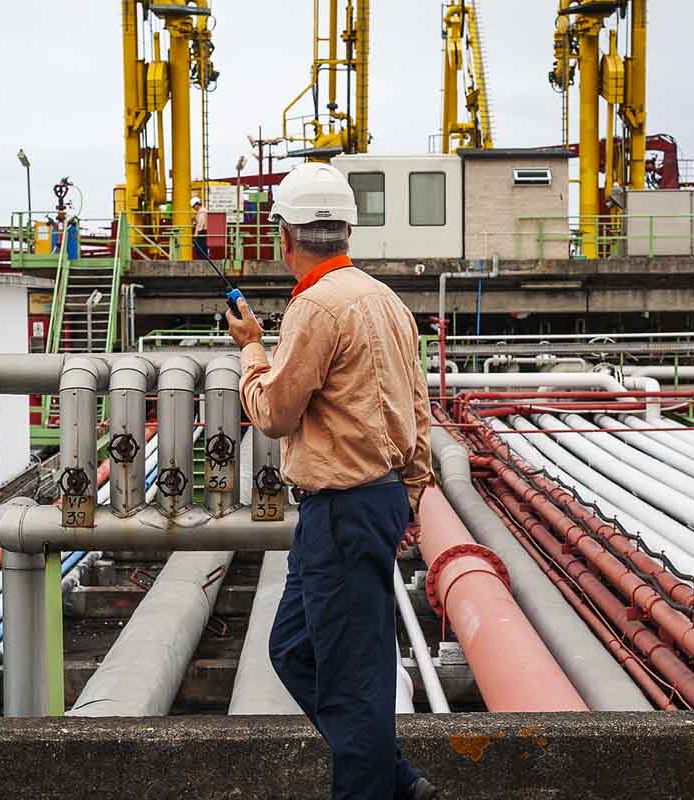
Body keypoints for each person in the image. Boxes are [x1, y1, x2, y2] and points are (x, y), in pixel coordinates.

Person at [225, 162, 438, 800]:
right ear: (347, 229)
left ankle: (376, 782)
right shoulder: (386, 302)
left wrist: (250, 349)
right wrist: (410, 496)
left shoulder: (314, 308)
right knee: (294, 647)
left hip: (340, 510)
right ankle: (396, 778)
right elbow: (420, 410)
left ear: (285, 236)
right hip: (373, 503)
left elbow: (274, 412)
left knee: (351, 681)